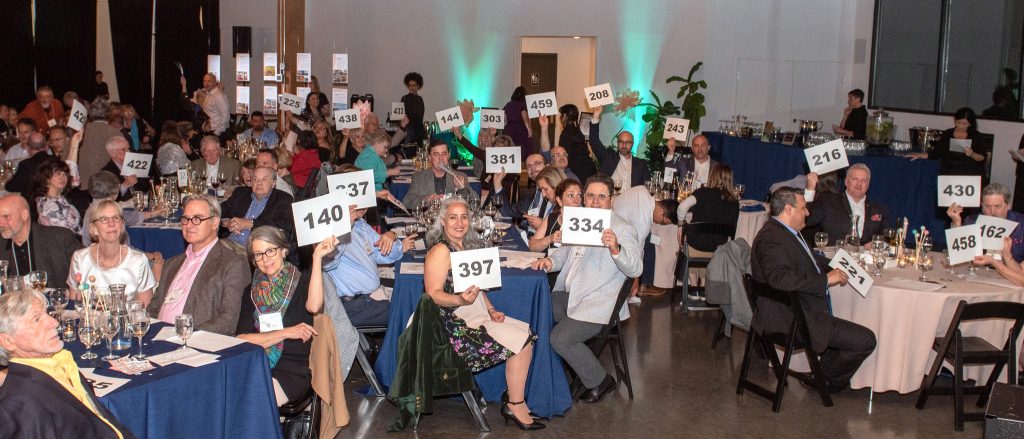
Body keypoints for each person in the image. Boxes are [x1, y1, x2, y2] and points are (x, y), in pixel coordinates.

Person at [424, 197, 543, 429]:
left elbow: (477, 286)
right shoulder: (440, 250)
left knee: (525, 332)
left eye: (464, 217)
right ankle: (515, 404)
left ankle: (515, 400)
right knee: (523, 341)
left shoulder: (464, 246)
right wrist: (459, 299)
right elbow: (433, 294)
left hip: (472, 312)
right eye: (453, 217)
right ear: (442, 221)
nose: (459, 223)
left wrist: (490, 309)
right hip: (448, 323)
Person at [750, 187, 876, 394]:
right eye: (804, 208)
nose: (808, 212)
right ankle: (825, 381)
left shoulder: (785, 233)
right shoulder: (771, 239)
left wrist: (842, 264)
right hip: (790, 318)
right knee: (865, 340)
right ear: (788, 209)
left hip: (800, 309)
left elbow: (809, 259)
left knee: (847, 326)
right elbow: (780, 279)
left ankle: (820, 374)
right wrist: (826, 279)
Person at [531, 175, 642, 403]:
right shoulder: (581, 218)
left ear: (612, 199)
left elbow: (635, 268)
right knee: (537, 307)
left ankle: (600, 380)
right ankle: (550, 375)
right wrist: (550, 262)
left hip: (600, 303)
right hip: (572, 295)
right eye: (590, 195)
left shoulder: (623, 228)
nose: (595, 201)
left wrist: (615, 247)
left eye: (602, 196)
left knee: (559, 339)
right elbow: (564, 252)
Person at [0, 290, 136, 438]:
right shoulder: (21, 403)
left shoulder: (61, 363)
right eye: (37, 319)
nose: (55, 323)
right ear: (8, 341)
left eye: (47, 313)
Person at [236, 226, 319, 406]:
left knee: (254, 402)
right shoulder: (250, 292)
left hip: (291, 369)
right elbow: (241, 339)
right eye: (258, 254)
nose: (265, 259)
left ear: (283, 251)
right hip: (255, 364)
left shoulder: (303, 283)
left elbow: (314, 306)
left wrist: (317, 257)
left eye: (270, 251)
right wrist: (287, 332)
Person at [147, 195, 250, 335]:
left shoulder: (232, 264)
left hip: (195, 345)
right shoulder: (172, 264)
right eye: (185, 219)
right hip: (158, 341)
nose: (189, 225)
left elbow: (228, 321)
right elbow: (153, 309)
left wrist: (182, 335)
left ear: (215, 223)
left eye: (197, 219)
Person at [321, 200, 415, 327]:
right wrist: (344, 227)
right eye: (358, 200)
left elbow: (383, 254)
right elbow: (327, 263)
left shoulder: (361, 225)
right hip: (353, 306)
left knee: (413, 301)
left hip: (371, 298)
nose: (363, 206)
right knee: (409, 314)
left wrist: (392, 235)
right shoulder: (329, 230)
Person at [68, 200, 157, 305]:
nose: (112, 223)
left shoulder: (138, 261)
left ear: (122, 226)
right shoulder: (80, 259)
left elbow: (145, 311)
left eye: (116, 218)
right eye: (104, 219)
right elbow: (73, 307)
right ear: (94, 229)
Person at [676, 166, 741, 298]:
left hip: (696, 245)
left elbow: (682, 207)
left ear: (713, 176)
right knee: (707, 240)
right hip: (718, 248)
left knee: (691, 240)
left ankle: (694, 287)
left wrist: (680, 224)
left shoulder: (702, 192)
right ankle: (705, 286)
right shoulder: (735, 202)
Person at [0, 194, 82, 285]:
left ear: (24, 215)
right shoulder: (1, 246)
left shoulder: (59, 238)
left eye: (6, 217)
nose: (1, 223)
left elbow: (84, 267)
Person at [804, 164, 890, 246]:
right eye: (855, 179)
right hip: (833, 258)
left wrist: (878, 244)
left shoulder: (879, 209)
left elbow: (887, 237)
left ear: (868, 184)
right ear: (846, 181)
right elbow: (806, 220)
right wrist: (810, 190)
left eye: (863, 180)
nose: (859, 184)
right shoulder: (828, 202)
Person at [220, 167, 295, 252]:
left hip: (256, 250)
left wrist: (251, 223)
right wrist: (227, 223)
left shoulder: (283, 199)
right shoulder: (240, 193)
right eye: (255, 179)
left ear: (273, 183)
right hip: (229, 242)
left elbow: (285, 226)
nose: (259, 183)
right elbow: (218, 212)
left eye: (264, 179)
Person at [83, 171, 165, 245]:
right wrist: (155, 212)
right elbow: (132, 217)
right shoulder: (110, 211)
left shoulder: (90, 210)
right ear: (114, 192)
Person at [948, 183, 1024, 262]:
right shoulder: (972, 221)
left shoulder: (1021, 223)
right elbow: (958, 256)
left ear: (1008, 206)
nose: (992, 212)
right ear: (982, 206)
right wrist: (956, 222)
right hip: (979, 270)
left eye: (997, 206)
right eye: (988, 206)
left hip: (1012, 272)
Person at [908, 107, 989, 179]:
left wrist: (972, 154)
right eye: (958, 122)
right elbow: (937, 152)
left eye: (964, 124)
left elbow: (982, 158)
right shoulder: (948, 134)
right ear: (955, 121)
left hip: (969, 176)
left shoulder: (976, 136)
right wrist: (922, 155)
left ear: (970, 124)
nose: (960, 126)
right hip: (948, 174)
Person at [402, 139, 476, 208]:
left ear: (449, 155)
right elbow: (407, 202)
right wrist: (426, 199)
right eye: (436, 154)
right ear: (430, 157)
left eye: (444, 154)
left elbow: (474, 203)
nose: (441, 158)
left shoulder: (460, 176)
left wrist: (462, 189)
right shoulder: (419, 177)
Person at [590, 105, 649, 188]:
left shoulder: (641, 165)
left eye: (627, 142)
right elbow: (594, 141)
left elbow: (647, 188)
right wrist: (596, 116)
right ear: (617, 143)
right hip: (611, 199)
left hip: (632, 199)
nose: (624, 145)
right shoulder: (608, 158)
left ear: (632, 144)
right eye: (621, 142)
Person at [492, 153, 547, 227]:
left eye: (537, 163)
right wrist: (497, 184)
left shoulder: (556, 192)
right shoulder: (531, 193)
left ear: (547, 166)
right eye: (529, 166)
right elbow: (509, 212)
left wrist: (543, 225)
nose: (533, 169)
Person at [28, 159, 81, 235]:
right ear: (47, 179)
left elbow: (74, 179)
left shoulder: (58, 197)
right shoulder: (50, 206)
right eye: (58, 174)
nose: (63, 177)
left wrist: (74, 147)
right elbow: (65, 234)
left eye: (65, 174)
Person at [529, 178, 582, 253]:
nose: (576, 200)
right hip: (547, 262)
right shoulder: (551, 218)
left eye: (579, 195)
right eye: (571, 195)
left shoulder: (586, 222)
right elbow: (532, 246)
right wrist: (550, 239)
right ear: (559, 201)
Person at [79, 99, 124, 187]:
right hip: (105, 185)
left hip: (80, 184)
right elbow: (122, 162)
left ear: (90, 113)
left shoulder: (77, 133)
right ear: (109, 114)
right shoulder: (115, 134)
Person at [101, 136, 156, 201]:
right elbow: (108, 198)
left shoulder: (134, 163)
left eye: (128, 149)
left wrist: (146, 175)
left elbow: (145, 187)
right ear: (113, 153)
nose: (129, 152)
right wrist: (125, 185)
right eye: (124, 149)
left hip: (140, 202)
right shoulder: (106, 172)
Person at [503, 86, 534, 156]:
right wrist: (528, 128)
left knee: (508, 147)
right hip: (520, 129)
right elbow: (523, 114)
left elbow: (504, 117)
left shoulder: (508, 104)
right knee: (521, 148)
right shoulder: (522, 104)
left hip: (509, 128)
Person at [200, 73, 230, 138]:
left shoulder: (219, 96)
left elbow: (225, 116)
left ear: (215, 83)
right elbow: (208, 114)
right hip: (209, 131)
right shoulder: (208, 94)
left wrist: (216, 133)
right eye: (204, 81)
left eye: (209, 81)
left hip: (218, 133)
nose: (206, 84)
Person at [402, 72, 425, 146]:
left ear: (418, 86)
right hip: (408, 130)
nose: (411, 87)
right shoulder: (404, 98)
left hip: (418, 130)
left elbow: (420, 115)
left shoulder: (420, 99)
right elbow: (401, 114)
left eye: (413, 85)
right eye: (409, 85)